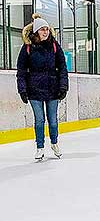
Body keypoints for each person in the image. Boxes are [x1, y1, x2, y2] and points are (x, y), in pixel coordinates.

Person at [16, 13, 69, 160]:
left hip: (53, 89)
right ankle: (39, 147)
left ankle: (54, 143)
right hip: (34, 89)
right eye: (42, 29)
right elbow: (21, 71)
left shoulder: (54, 45)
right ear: (36, 31)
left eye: (47, 29)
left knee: (53, 120)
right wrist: (22, 90)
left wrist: (63, 86)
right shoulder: (27, 47)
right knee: (39, 120)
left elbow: (62, 67)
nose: (45, 31)